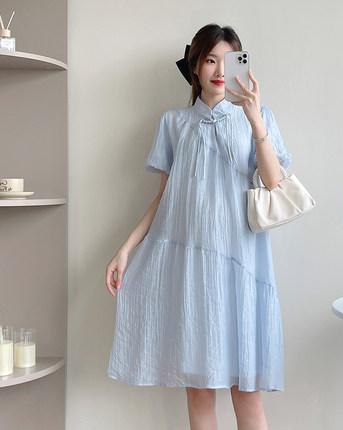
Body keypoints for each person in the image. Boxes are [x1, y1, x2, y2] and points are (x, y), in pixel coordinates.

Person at [106, 23, 291, 430]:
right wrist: (125, 249)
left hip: (242, 268)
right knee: (200, 394)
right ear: (194, 67)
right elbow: (165, 198)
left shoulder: (259, 117)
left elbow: (273, 182)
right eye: (210, 61)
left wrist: (255, 120)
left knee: (247, 396)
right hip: (193, 275)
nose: (220, 71)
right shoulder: (174, 123)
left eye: (229, 61)